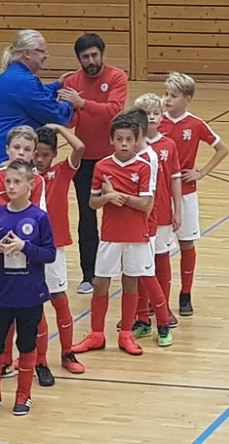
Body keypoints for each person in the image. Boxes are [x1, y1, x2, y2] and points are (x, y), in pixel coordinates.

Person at [0, 29, 75, 305]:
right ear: (27, 53)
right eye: (41, 51)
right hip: (2, 161)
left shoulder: (18, 76)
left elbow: (39, 93)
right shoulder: (21, 81)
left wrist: (57, 86)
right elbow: (55, 114)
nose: (46, 55)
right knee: (3, 220)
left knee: (6, 220)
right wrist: (73, 105)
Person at [0, 160, 56, 416]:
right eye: (8, 181)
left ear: (31, 184)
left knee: (27, 344)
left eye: (17, 181)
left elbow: (50, 253)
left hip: (30, 294)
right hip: (2, 293)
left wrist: (24, 247)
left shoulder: (39, 217)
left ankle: (23, 395)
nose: (10, 186)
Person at [72, 112, 155, 356]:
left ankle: (126, 334)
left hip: (136, 234)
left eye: (129, 139)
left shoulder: (144, 166)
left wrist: (120, 196)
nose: (124, 144)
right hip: (110, 235)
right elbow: (92, 203)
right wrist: (107, 197)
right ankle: (96, 334)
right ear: (112, 140)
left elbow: (145, 204)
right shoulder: (102, 166)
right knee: (100, 283)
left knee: (131, 282)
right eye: (119, 139)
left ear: (137, 140)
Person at [0, 126, 48, 384]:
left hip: (30, 257)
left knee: (35, 315)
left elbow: (36, 218)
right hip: (2, 258)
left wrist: (2, 216)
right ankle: (4, 363)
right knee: (2, 314)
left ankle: (40, 362)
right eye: (16, 147)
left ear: (33, 153)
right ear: (7, 149)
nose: (21, 153)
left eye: (27, 149)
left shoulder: (37, 181)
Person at [60, 33, 129, 294]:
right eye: (85, 57)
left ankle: (127, 268)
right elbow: (70, 122)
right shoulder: (72, 81)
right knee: (86, 218)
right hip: (85, 161)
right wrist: (62, 106)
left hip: (115, 161)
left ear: (102, 54)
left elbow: (114, 110)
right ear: (78, 58)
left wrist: (82, 103)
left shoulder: (117, 77)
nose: (90, 61)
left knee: (120, 214)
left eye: (94, 55)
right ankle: (89, 274)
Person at [158, 72, 229, 318]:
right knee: (160, 248)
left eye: (174, 96)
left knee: (186, 243)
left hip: (186, 193)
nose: (168, 100)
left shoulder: (196, 124)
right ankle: (159, 298)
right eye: (166, 94)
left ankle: (185, 293)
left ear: (188, 99)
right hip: (160, 194)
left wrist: (201, 172)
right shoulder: (156, 122)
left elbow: (222, 149)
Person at [33, 124, 85, 374]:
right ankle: (39, 359)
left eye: (45, 154)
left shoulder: (62, 171)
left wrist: (59, 129)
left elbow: (80, 147)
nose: (40, 159)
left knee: (59, 298)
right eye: (36, 154)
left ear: (54, 154)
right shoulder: (24, 176)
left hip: (53, 247)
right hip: (28, 248)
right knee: (34, 305)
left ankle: (67, 352)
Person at [134, 93, 182, 336]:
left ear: (162, 116)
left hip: (162, 213)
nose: (152, 117)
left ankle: (164, 306)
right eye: (147, 114)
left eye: (156, 113)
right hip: (138, 214)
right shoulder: (131, 146)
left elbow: (175, 179)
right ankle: (139, 311)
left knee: (161, 260)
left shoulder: (168, 145)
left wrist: (177, 209)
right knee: (138, 264)